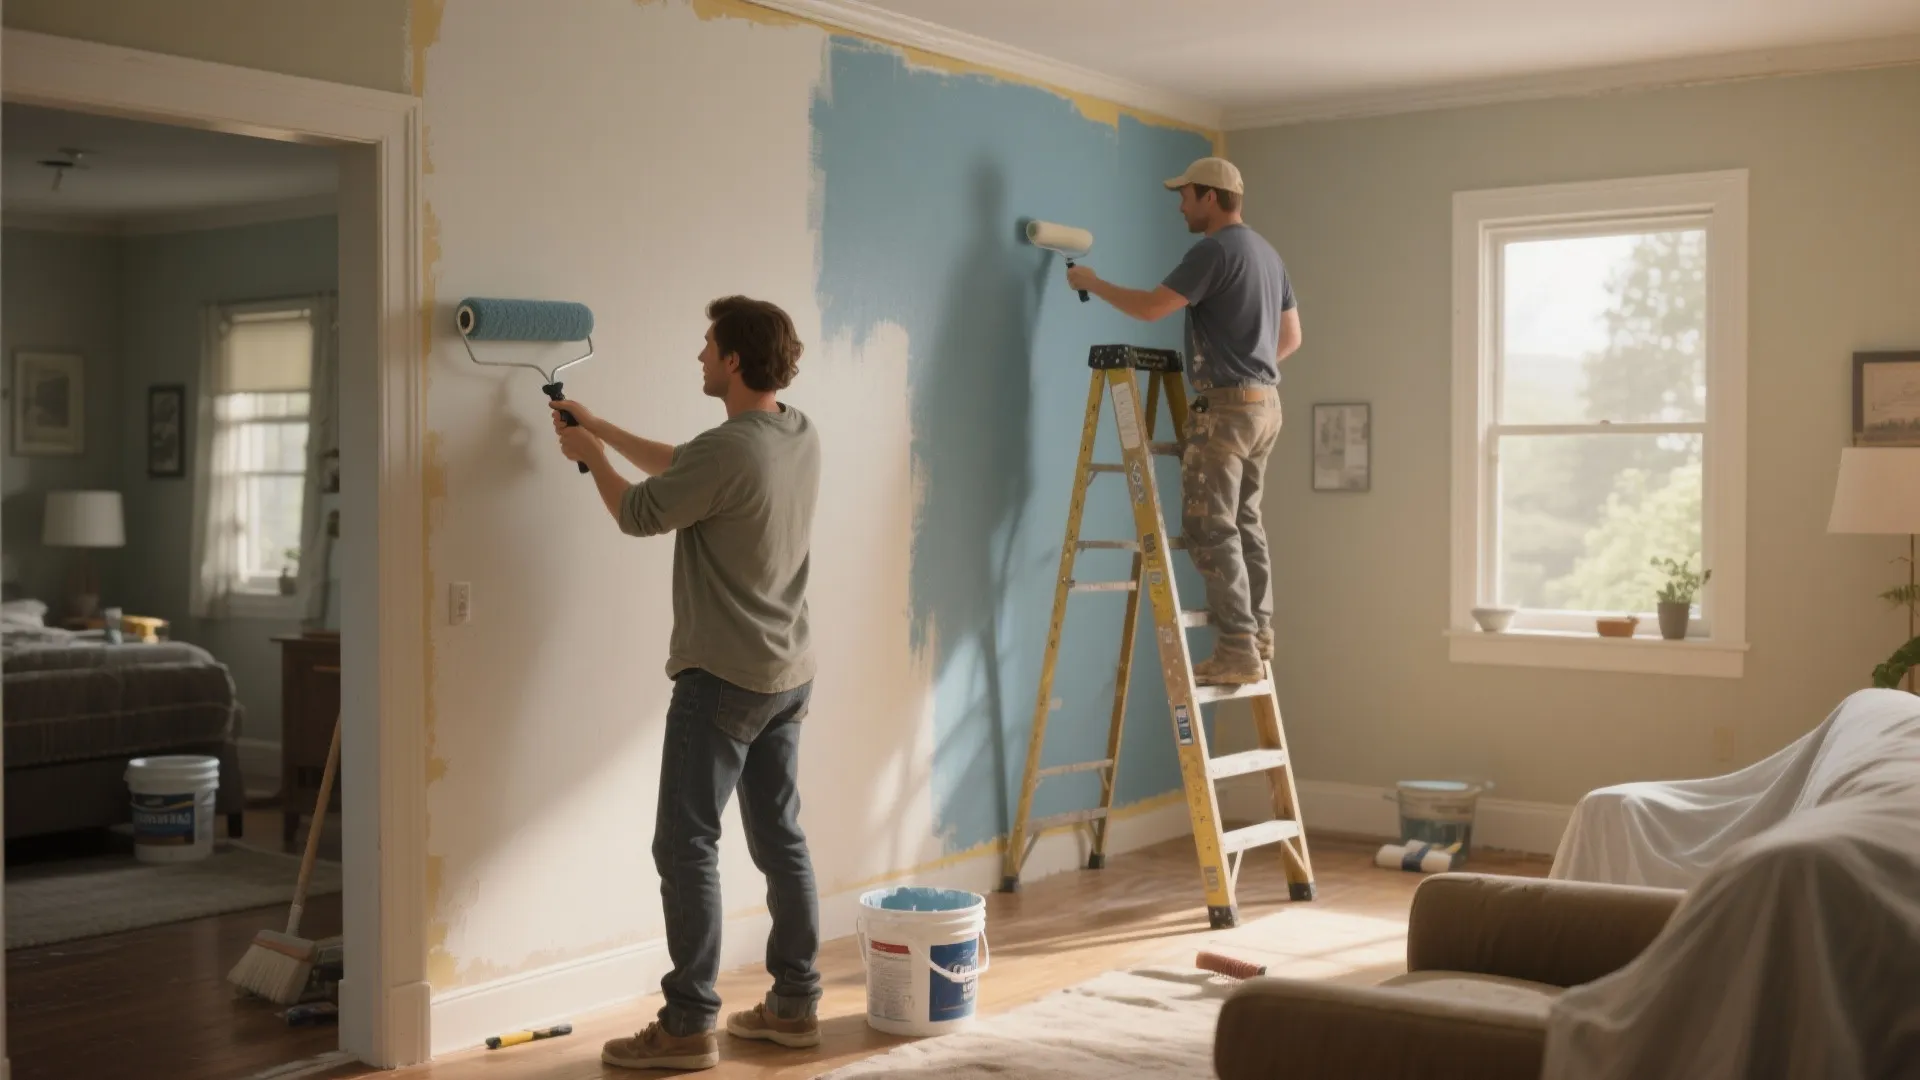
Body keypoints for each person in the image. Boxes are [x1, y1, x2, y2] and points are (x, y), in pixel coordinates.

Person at [551, 295, 824, 1071]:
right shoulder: (796, 431)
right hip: (787, 673)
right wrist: (601, 430)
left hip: (724, 679)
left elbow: (639, 513)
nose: (699, 356)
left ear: (733, 360)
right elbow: (690, 465)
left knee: (686, 844)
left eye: (708, 345)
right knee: (780, 838)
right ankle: (795, 1006)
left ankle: (686, 1025)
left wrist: (591, 461)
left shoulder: (726, 450)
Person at [1065, 156, 1301, 686]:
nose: (1180, 206)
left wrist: (1094, 283)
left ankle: (1237, 648)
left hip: (1228, 411)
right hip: (1265, 406)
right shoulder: (1267, 253)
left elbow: (1152, 308)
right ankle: (1258, 635)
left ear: (1210, 197)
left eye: (1186, 196)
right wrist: (1250, 369)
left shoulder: (1214, 250)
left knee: (1210, 527)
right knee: (1246, 523)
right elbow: (1291, 338)